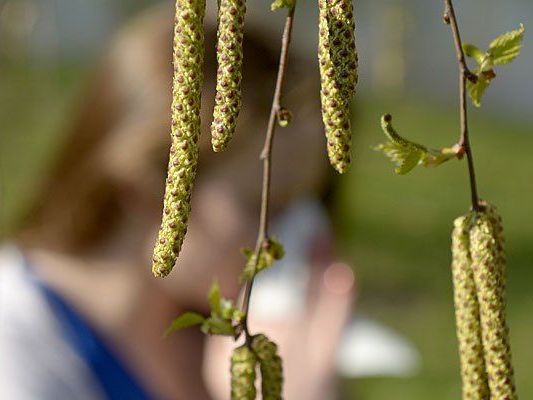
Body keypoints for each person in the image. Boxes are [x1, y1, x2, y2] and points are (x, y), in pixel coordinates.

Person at [0, 4, 355, 399]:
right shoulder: (18, 348)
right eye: (264, 205)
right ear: (145, 189)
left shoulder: (224, 342)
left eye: (312, 205)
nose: (301, 236)